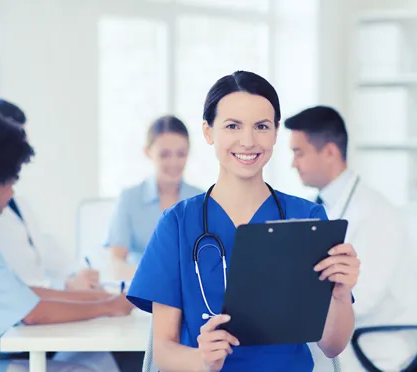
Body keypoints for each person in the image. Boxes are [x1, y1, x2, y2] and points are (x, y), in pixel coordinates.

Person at [126, 71, 360, 372]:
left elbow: (332, 345)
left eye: (261, 126)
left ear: (276, 133)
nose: (248, 141)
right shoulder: (178, 223)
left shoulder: (308, 219)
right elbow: (164, 350)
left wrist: (340, 294)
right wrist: (204, 360)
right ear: (209, 132)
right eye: (233, 126)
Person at [0, 111, 134, 372]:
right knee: (86, 370)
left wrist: (93, 298)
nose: (13, 190)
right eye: (12, 178)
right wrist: (108, 306)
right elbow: (32, 313)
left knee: (98, 361)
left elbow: (21, 293)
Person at [284, 105, 417, 371]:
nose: (293, 163)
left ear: (330, 152)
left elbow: (363, 298)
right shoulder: (316, 207)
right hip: (338, 334)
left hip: (374, 342)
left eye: (298, 153)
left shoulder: (375, 213)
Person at [0, 99, 99, 290]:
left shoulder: (16, 202)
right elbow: (10, 295)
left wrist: (78, 274)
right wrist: (69, 288)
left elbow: (44, 250)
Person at [105, 115, 202, 267]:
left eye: (181, 154)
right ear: (148, 152)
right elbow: (117, 262)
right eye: (165, 155)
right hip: (141, 288)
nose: (174, 162)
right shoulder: (129, 199)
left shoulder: (202, 200)